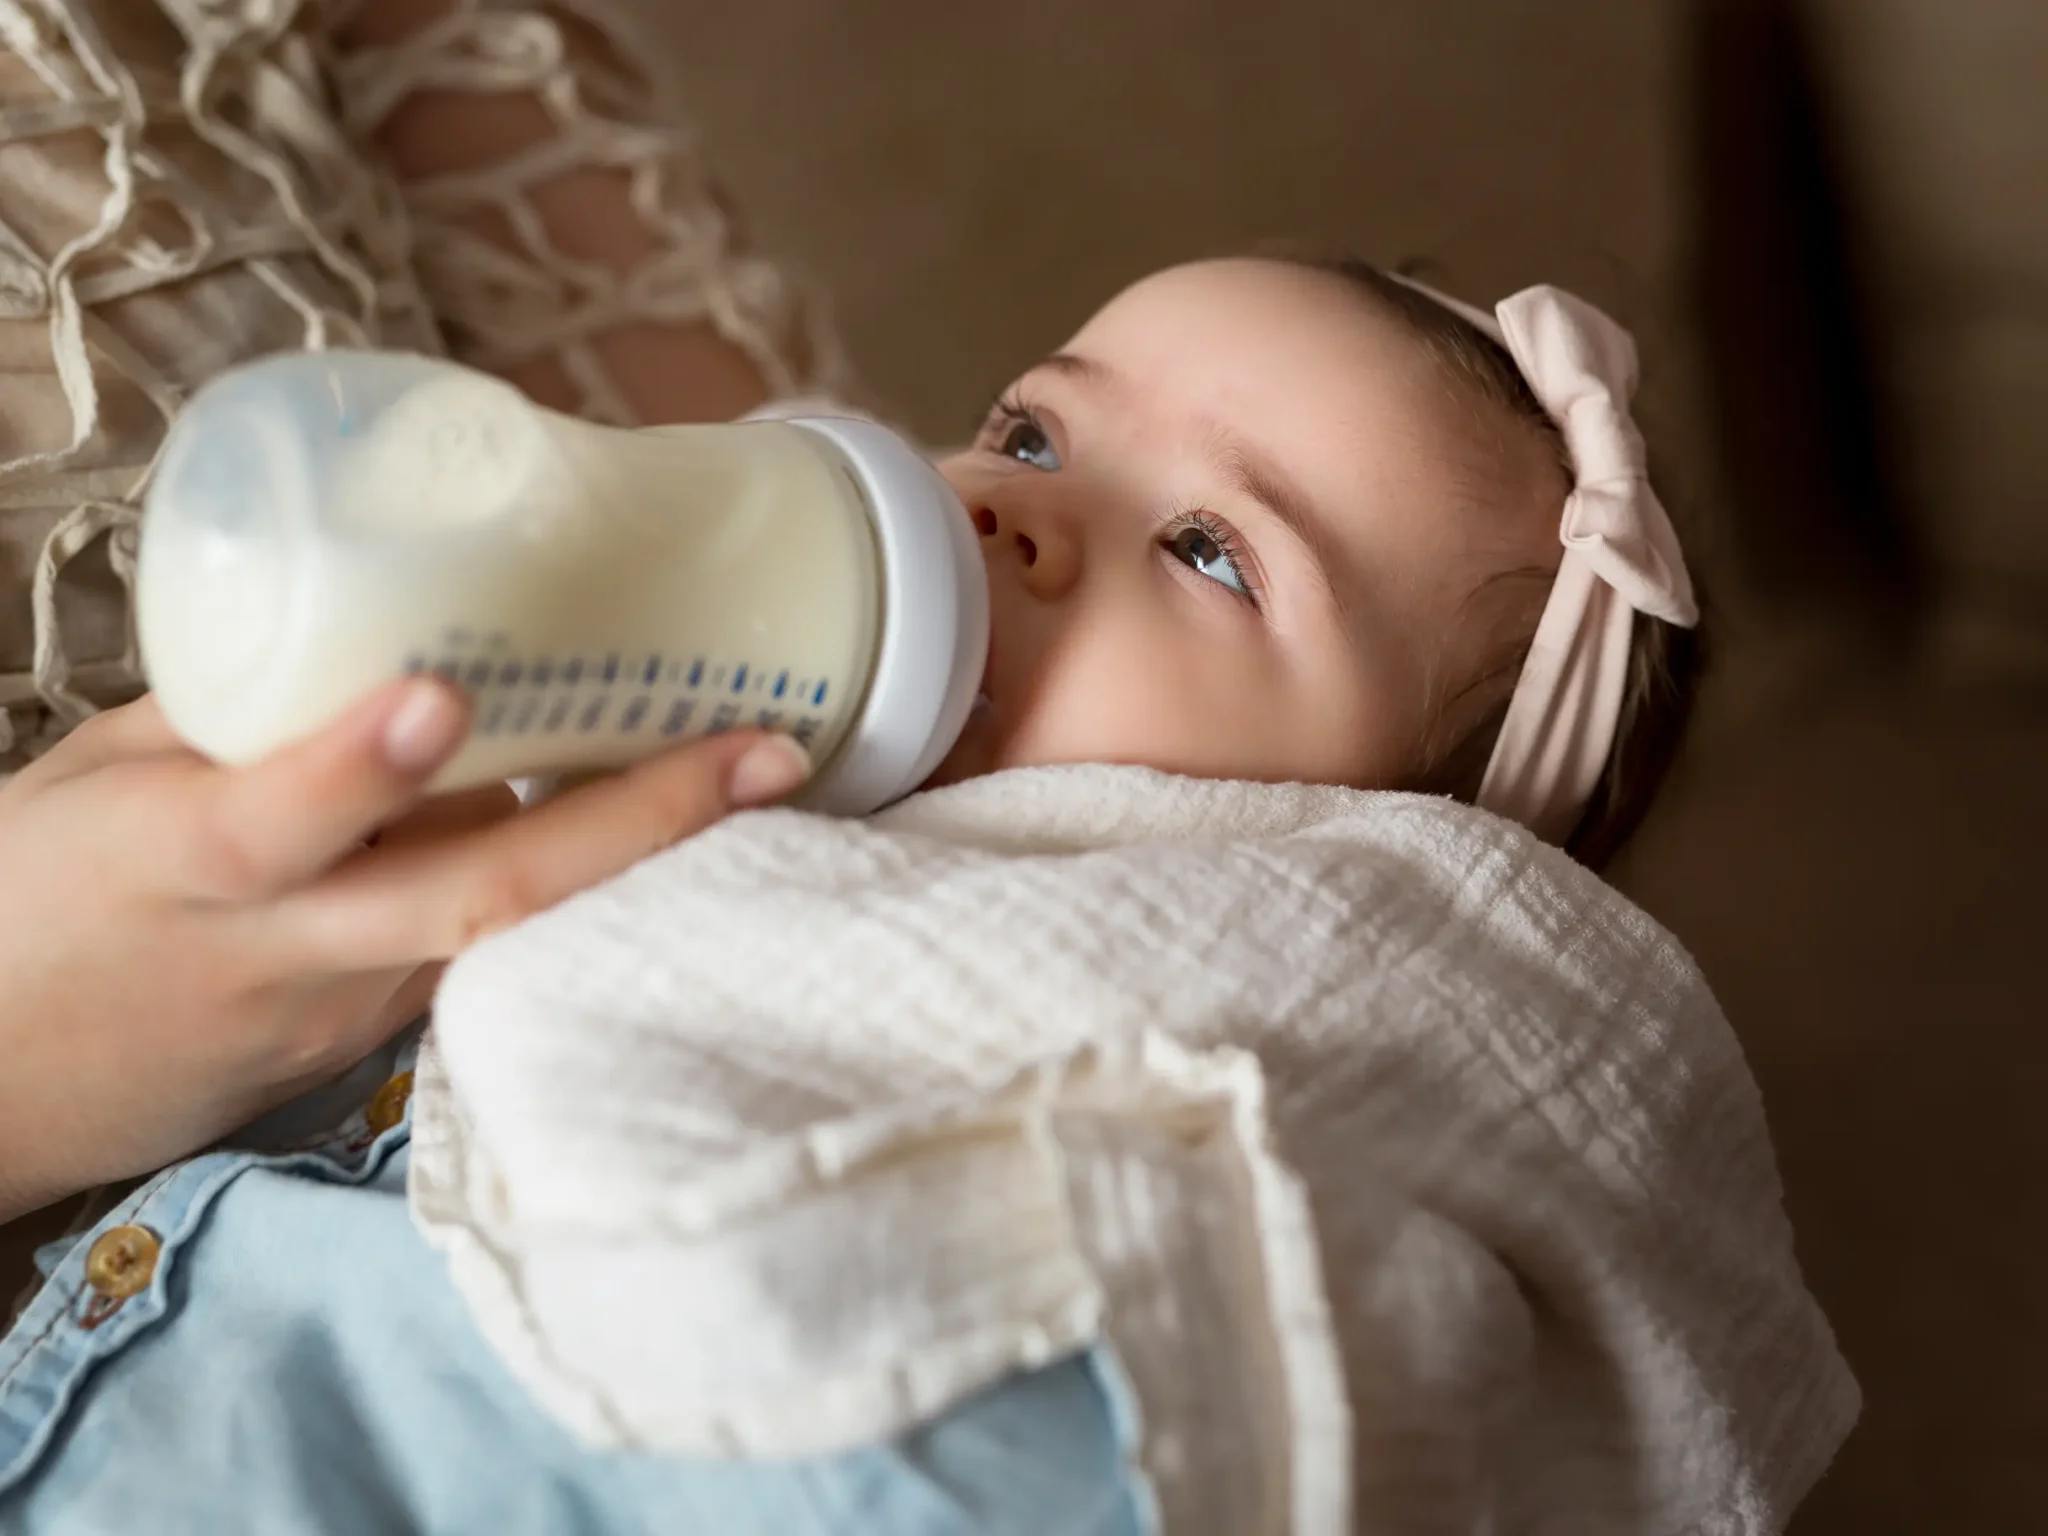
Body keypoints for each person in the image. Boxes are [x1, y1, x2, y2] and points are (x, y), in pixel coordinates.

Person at [0, 5, 1845, 1535]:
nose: (1010, 513)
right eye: (1033, 429)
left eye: (1213, 553)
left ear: (1339, 873)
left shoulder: (1196, 1102)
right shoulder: (661, 736)